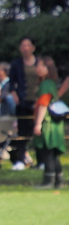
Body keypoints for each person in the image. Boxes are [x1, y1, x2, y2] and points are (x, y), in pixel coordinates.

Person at [33, 56, 65, 189]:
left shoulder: (46, 84)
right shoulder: (51, 83)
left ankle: (48, 181)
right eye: (38, 65)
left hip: (48, 123)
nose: (38, 68)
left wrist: (38, 123)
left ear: (49, 69)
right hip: (56, 124)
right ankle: (59, 181)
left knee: (48, 151)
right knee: (54, 153)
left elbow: (43, 104)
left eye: (42, 66)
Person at [8, 37, 39, 170]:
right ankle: (20, 160)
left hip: (38, 102)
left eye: (28, 45)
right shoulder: (16, 64)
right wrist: (15, 96)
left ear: (33, 47)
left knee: (38, 132)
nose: (25, 48)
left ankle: (41, 161)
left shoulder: (40, 62)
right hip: (22, 102)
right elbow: (11, 84)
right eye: (23, 45)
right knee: (22, 132)